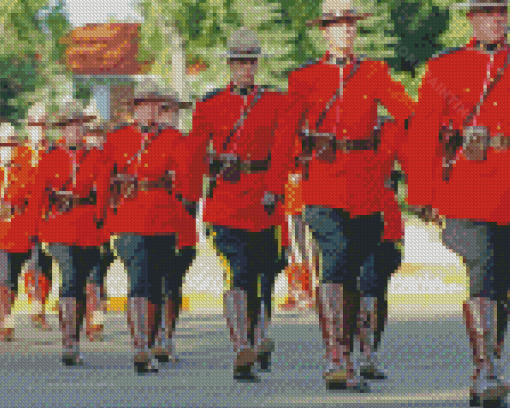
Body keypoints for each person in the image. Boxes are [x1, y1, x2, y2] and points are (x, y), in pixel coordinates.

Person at [287, 0, 415, 391]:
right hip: (322, 184)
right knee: (336, 255)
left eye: (350, 24)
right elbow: (287, 131)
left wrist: (438, 121)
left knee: (355, 271)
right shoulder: (303, 77)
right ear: (324, 31)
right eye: (338, 24)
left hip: (364, 189)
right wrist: (285, 175)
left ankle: (353, 351)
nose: (346, 31)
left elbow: (405, 111)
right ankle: (335, 357)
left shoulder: (374, 72)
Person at [403, 1, 510, 405]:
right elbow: (424, 133)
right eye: (487, 14)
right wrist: (422, 195)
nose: (496, 20)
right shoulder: (444, 67)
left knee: (502, 283)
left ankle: (493, 358)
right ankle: (485, 370)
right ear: (471, 19)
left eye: (501, 13)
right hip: (467, 190)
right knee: (481, 269)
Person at [185, 28, 295, 381]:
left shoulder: (276, 102)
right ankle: (241, 346)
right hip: (226, 203)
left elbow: (283, 150)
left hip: (265, 201)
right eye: (238, 62)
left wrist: (275, 188)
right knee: (237, 272)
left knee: (265, 275)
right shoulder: (209, 105)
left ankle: (259, 334)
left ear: (257, 64)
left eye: (250, 62)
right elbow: (194, 155)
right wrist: (199, 186)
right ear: (229, 65)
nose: (245, 68)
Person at [103, 78, 196, 373]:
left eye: (154, 105)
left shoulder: (173, 139)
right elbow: (104, 179)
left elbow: (187, 180)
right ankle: (140, 346)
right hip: (130, 217)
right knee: (139, 280)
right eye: (143, 105)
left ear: (160, 108)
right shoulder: (117, 139)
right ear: (134, 109)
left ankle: (152, 340)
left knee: (155, 286)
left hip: (164, 218)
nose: (148, 111)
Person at [29, 101, 110, 366]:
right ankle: (69, 343)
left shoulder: (95, 155)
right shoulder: (50, 157)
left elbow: (103, 193)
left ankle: (75, 338)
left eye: (78, 125)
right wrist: (34, 230)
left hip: (87, 227)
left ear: (83, 127)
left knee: (83, 281)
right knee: (70, 276)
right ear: (62, 129)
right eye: (69, 125)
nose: (74, 130)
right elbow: (38, 196)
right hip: (59, 226)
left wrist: (103, 225)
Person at [356, 117, 405, 380]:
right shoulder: (340, 122)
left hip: (386, 219)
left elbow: (415, 162)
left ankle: (369, 350)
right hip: (349, 213)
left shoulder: (392, 128)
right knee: (364, 285)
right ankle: (360, 352)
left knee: (377, 287)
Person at [0, 120, 41, 341]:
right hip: (1, 234)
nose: (6, 148)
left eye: (10, 144)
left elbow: (33, 198)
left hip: (21, 232)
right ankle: (5, 321)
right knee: (3, 279)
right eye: (2, 144)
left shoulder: (26, 167)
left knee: (12, 279)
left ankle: (7, 316)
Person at [23, 102, 55, 332]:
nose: (38, 128)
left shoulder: (53, 150)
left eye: (42, 124)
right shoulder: (18, 151)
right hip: (22, 215)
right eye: (34, 124)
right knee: (25, 264)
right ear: (27, 126)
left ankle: (40, 306)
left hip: (47, 214)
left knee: (44, 264)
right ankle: (33, 308)